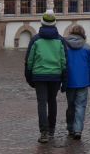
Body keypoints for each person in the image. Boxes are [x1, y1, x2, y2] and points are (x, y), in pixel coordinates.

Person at [24, 11, 68, 143]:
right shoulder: (60, 40)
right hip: (55, 75)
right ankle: (51, 130)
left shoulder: (35, 39)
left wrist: (29, 76)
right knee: (52, 101)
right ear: (54, 23)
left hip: (39, 75)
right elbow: (64, 61)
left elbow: (29, 60)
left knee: (41, 103)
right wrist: (64, 78)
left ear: (42, 23)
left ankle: (43, 132)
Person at [63, 24, 90, 140]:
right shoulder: (87, 48)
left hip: (69, 81)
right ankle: (78, 130)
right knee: (80, 106)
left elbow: (62, 64)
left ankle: (70, 127)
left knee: (70, 105)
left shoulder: (64, 47)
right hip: (83, 81)